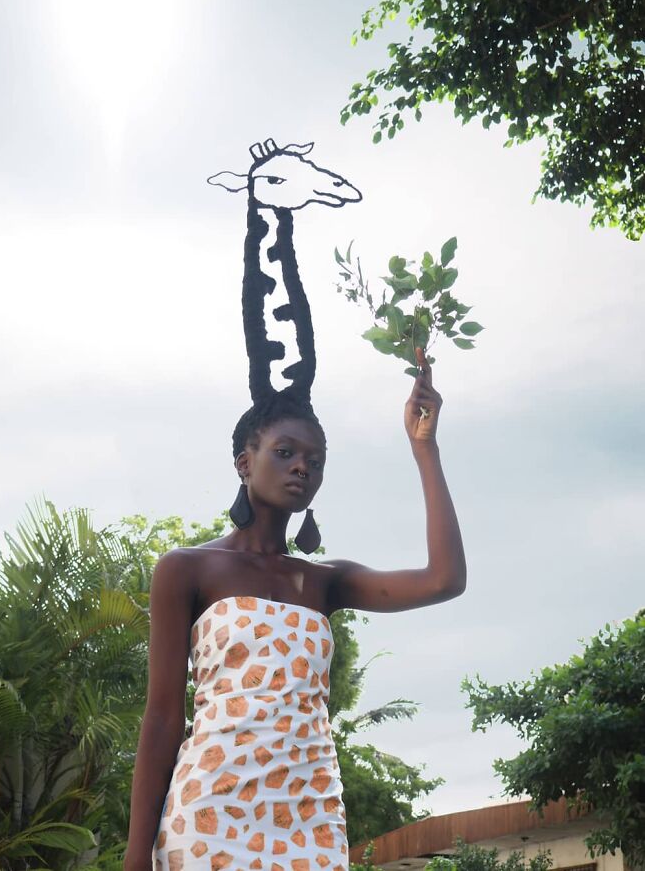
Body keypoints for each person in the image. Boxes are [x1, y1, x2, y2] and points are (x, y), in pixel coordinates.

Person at [123, 345, 466, 871]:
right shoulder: (185, 569)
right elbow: (165, 716)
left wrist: (425, 447)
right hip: (209, 815)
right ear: (245, 461)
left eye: (315, 460)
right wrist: (135, 852)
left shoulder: (326, 581)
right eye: (285, 452)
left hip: (311, 819)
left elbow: (444, 580)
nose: (302, 466)